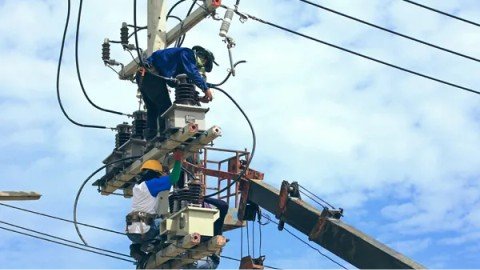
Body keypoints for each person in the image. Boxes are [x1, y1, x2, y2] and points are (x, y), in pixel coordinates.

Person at [137, 46, 218, 141]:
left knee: (153, 109)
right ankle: (164, 136)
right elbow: (192, 72)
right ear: (202, 57)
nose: (199, 68)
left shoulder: (178, 63)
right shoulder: (188, 53)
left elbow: (175, 83)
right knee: (165, 107)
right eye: (203, 64)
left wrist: (198, 98)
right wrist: (206, 89)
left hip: (143, 77)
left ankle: (151, 139)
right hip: (151, 74)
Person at [126, 159, 181, 262]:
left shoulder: (137, 187)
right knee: (166, 223)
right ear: (155, 173)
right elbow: (174, 178)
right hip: (146, 231)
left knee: (145, 224)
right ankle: (154, 244)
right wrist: (178, 160)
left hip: (132, 233)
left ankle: (136, 248)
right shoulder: (152, 184)